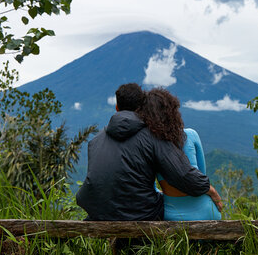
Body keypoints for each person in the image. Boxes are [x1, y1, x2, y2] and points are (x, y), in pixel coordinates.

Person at [75, 83, 222, 221]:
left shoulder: (96, 140)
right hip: (140, 213)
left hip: (97, 212)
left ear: (116, 107)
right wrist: (210, 189)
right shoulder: (153, 136)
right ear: (142, 108)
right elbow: (183, 174)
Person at [137, 88, 222, 221]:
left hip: (173, 216)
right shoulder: (191, 135)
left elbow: (150, 186)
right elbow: (201, 176)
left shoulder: (149, 144)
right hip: (207, 213)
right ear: (173, 111)